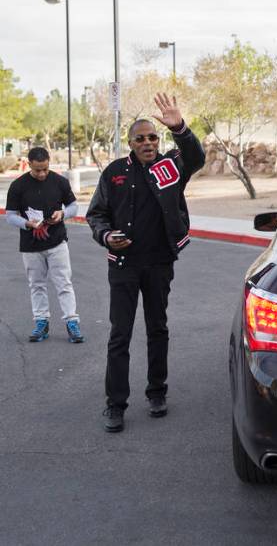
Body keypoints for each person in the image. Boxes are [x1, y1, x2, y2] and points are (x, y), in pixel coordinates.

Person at [86, 93, 205, 433]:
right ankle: (115, 404)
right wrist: (107, 236)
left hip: (159, 263)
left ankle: (156, 393)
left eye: (153, 137)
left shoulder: (170, 166)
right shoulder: (114, 173)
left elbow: (196, 157)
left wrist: (180, 127)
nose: (148, 142)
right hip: (123, 264)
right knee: (119, 335)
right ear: (130, 143)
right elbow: (96, 214)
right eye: (141, 138)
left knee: (158, 329)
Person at [4, 146, 83, 343]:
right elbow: (10, 216)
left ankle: (72, 322)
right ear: (29, 164)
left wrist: (63, 214)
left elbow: (74, 206)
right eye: (37, 169)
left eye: (45, 169)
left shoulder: (60, 182)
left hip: (57, 242)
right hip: (30, 245)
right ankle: (41, 322)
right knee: (36, 285)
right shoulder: (18, 186)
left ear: (49, 163)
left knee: (64, 283)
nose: (42, 173)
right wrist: (26, 223)